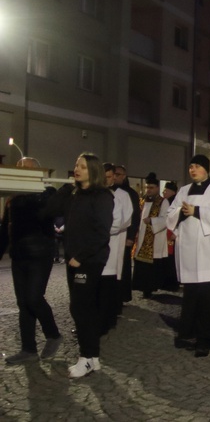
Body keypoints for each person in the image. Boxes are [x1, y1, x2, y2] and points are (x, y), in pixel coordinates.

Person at [167, 155, 210, 357]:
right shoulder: (184, 190)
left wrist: (197, 211)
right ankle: (191, 333)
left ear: (206, 169)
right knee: (192, 296)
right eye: (191, 167)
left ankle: (207, 338)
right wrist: (180, 211)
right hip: (188, 251)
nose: (192, 170)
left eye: (197, 166)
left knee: (209, 298)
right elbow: (171, 212)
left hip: (209, 252)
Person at [0, 158, 63, 365]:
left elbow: (49, 212)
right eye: (19, 169)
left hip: (40, 254)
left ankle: (53, 334)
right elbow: (4, 229)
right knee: (23, 303)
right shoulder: (12, 199)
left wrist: (31, 191)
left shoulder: (46, 194)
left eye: (27, 169)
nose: (22, 172)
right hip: (19, 256)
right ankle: (28, 349)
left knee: (34, 298)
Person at [57, 153, 114, 377]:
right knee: (83, 307)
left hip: (88, 261)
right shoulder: (75, 194)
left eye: (82, 166)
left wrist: (81, 256)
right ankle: (94, 357)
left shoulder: (102, 196)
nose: (77, 169)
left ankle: (86, 358)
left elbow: (102, 232)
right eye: (75, 165)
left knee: (80, 308)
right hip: (74, 259)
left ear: (93, 170)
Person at [99, 163, 132, 335]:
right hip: (96, 245)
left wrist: (104, 229)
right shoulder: (95, 193)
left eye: (111, 176)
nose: (108, 179)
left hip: (114, 241)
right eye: (105, 176)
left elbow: (126, 219)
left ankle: (109, 317)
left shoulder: (122, 195)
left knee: (110, 282)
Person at [132, 173, 170, 299]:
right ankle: (142, 287)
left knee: (151, 267)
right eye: (147, 187)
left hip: (154, 237)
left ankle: (149, 289)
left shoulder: (163, 202)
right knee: (142, 265)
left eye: (151, 187)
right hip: (141, 236)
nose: (148, 190)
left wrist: (152, 221)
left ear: (157, 188)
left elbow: (166, 219)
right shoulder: (142, 200)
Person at [113, 165, 140, 308]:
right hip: (112, 237)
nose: (115, 176)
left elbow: (134, 217)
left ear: (124, 176)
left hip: (124, 235)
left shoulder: (130, 194)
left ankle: (122, 295)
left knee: (123, 267)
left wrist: (130, 236)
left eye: (118, 174)